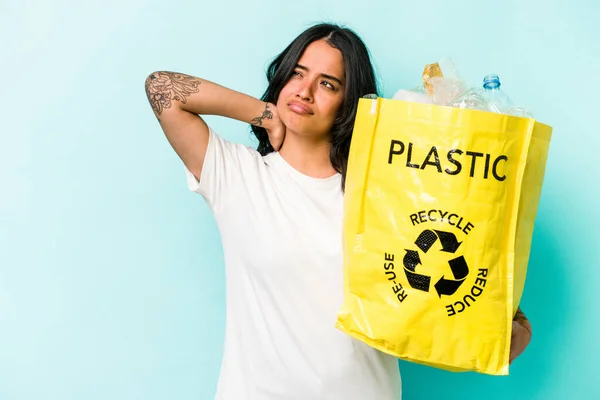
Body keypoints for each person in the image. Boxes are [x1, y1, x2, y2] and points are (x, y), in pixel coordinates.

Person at [144, 22, 532, 400]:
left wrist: (501, 332)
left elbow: (434, 301)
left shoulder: (385, 192)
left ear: (349, 103)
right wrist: (264, 114)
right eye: (296, 74)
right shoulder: (237, 175)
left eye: (328, 83)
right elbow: (162, 88)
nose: (305, 91)